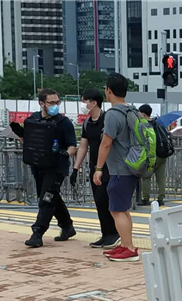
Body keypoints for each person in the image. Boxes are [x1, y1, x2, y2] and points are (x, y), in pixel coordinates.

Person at [93, 73, 140, 262]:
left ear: (108, 91)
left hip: (120, 169)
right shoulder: (133, 111)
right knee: (123, 208)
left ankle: (129, 248)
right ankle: (126, 244)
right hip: (132, 166)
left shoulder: (113, 114)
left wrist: (98, 168)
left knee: (116, 210)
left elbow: (106, 143)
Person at [24, 89, 78, 248]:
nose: (55, 105)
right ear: (42, 103)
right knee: (51, 196)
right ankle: (67, 226)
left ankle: (37, 233)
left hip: (57, 167)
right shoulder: (33, 120)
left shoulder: (64, 122)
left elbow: (72, 145)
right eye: (51, 102)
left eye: (57, 102)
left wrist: (66, 154)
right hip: (38, 166)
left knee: (46, 199)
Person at [71, 89, 120, 249]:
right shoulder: (87, 123)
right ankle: (106, 234)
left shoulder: (107, 119)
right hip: (94, 167)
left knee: (104, 199)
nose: (82, 104)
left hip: (109, 166)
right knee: (98, 202)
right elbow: (83, 147)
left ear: (93, 103)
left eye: (84, 101)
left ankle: (115, 233)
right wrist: (76, 168)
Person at [137, 104, 167, 206]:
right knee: (160, 178)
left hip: (151, 155)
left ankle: (146, 198)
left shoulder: (144, 126)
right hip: (162, 155)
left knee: (146, 177)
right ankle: (161, 198)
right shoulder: (158, 124)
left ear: (143, 114)